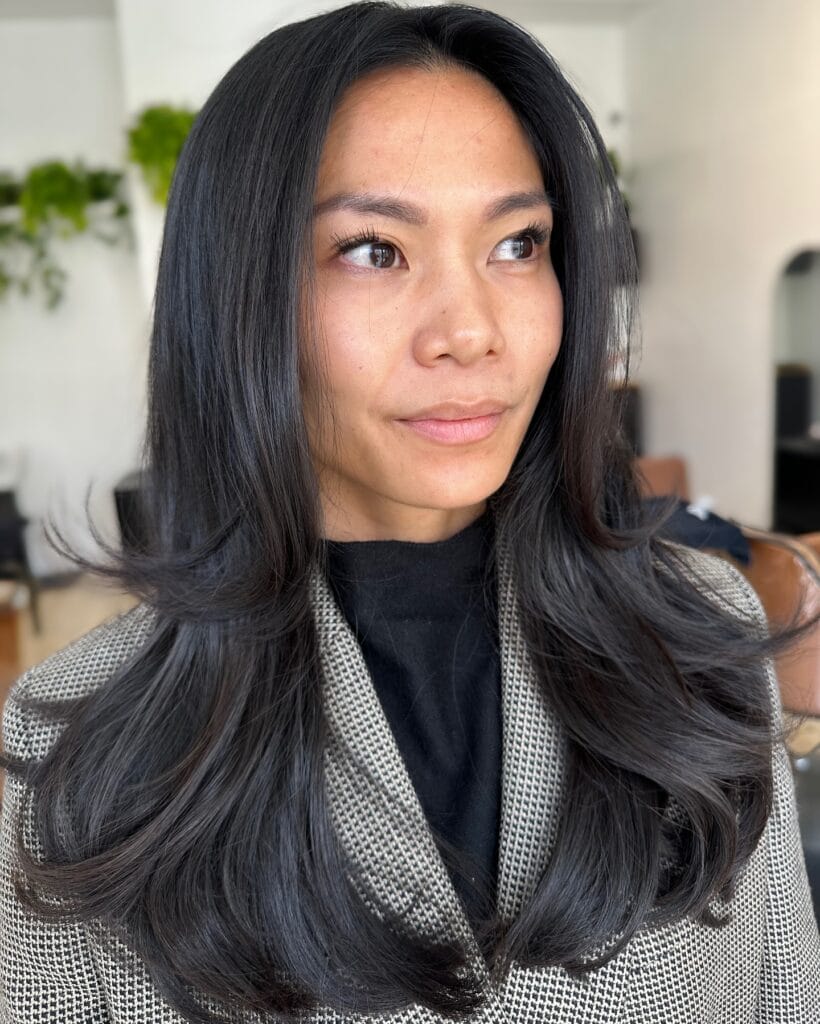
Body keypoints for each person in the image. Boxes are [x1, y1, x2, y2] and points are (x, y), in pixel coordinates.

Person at [1, 3, 818, 1021]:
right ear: (239, 297)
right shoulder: (75, 757)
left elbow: (787, 989)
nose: (471, 331)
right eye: (373, 250)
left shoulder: (702, 638)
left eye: (517, 243)